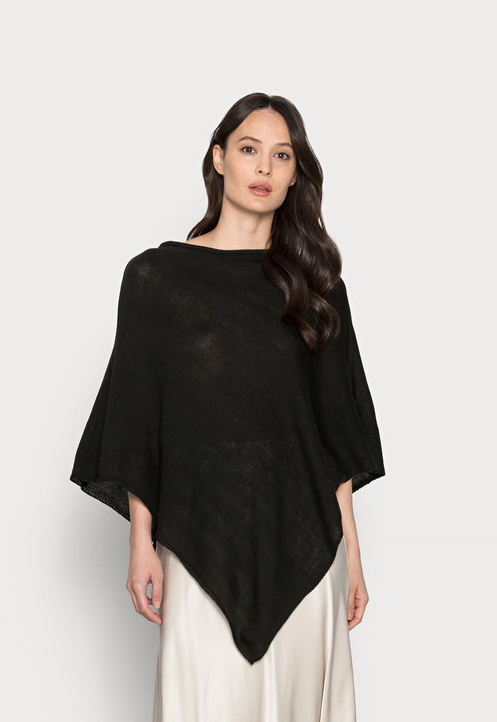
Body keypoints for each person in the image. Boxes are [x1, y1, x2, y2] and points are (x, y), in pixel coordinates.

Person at [70, 92, 386, 722]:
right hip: (199, 539)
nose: (264, 168)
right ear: (219, 159)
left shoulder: (318, 286)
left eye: (281, 155)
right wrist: (140, 541)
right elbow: (139, 416)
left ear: (295, 174)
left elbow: (336, 434)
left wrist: (351, 554)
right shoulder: (158, 279)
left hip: (305, 545)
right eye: (249, 149)